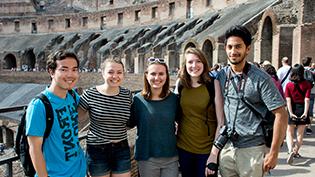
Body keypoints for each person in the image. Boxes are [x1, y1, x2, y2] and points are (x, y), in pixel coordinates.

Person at [215, 25, 288, 176]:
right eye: (229, 47)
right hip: (227, 148)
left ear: (247, 49)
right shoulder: (222, 75)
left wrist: (274, 153)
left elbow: (281, 114)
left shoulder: (260, 78)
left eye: (238, 47)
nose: (233, 51)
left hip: (252, 150)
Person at [26, 50, 87, 177]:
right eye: (64, 69)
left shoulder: (72, 95)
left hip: (79, 170)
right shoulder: (39, 105)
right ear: (51, 71)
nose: (70, 74)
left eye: (74, 69)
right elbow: (35, 149)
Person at [78, 58, 132, 177]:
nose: (115, 76)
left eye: (119, 72)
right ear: (102, 73)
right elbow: (77, 119)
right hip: (97, 150)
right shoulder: (90, 94)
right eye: (110, 72)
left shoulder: (127, 94)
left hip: (121, 148)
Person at [175, 47, 224, 177]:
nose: (194, 65)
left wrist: (214, 154)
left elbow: (221, 122)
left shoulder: (213, 84)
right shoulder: (180, 84)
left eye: (198, 61)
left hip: (207, 150)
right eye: (190, 62)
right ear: (185, 65)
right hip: (183, 148)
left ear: (204, 63)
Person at [128, 57, 179, 177]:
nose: (157, 78)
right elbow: (128, 123)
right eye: (153, 74)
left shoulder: (174, 99)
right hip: (147, 157)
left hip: (171, 157)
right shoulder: (137, 99)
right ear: (146, 75)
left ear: (166, 75)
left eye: (161, 74)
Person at [285, 64, 312, 165]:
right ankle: (295, 151)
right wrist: (305, 112)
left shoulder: (289, 85)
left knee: (289, 132)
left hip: (292, 107)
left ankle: (290, 150)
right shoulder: (306, 84)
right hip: (302, 108)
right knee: (300, 134)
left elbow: (288, 100)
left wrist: (291, 112)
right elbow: (307, 100)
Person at [301, 56, 314, 135]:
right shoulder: (313, 71)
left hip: (301, 91)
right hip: (311, 92)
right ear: (309, 63)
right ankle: (308, 127)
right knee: (310, 109)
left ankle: (300, 124)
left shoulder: (299, 70)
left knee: (301, 107)